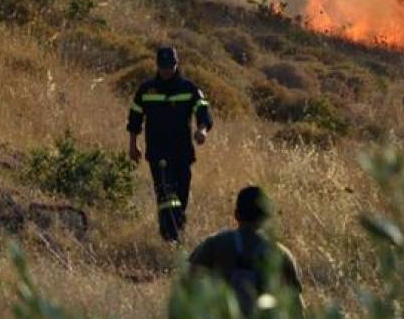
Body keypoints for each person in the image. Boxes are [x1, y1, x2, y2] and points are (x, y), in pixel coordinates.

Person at [127, 45, 212, 241]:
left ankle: (177, 229)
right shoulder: (146, 89)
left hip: (182, 151)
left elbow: (203, 112)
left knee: (181, 193)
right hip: (158, 152)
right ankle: (169, 236)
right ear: (157, 66)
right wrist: (133, 145)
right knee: (165, 193)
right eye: (163, 66)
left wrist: (202, 130)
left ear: (176, 64)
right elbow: (134, 118)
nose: (166, 70)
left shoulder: (189, 89)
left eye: (170, 66)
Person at [187, 186, 304, 316]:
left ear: (236, 215)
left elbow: (187, 283)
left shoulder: (215, 244)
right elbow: (296, 307)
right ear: (266, 218)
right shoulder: (280, 254)